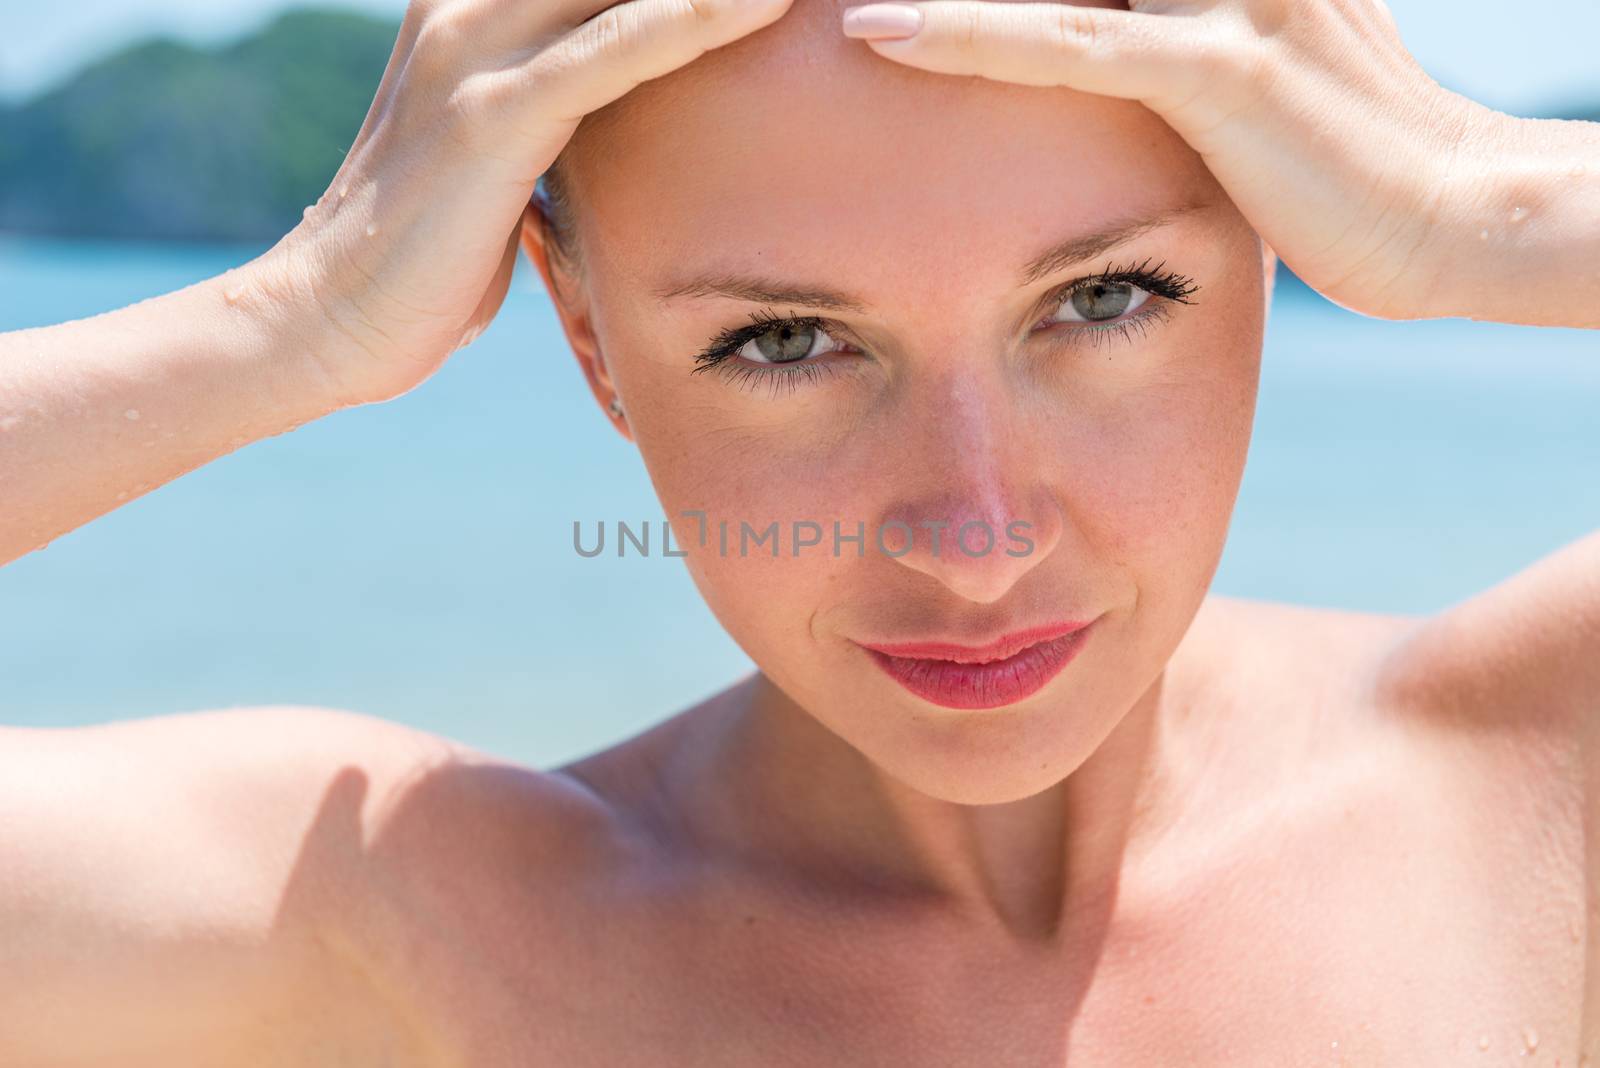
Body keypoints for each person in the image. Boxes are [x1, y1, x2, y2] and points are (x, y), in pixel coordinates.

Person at [2, 0, 1597, 1062]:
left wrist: (1482, 205)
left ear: (1279, 245)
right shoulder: (406, 928)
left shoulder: (1544, 780)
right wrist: (302, 318)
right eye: (783, 342)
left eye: (1104, 298)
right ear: (592, 349)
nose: (974, 536)